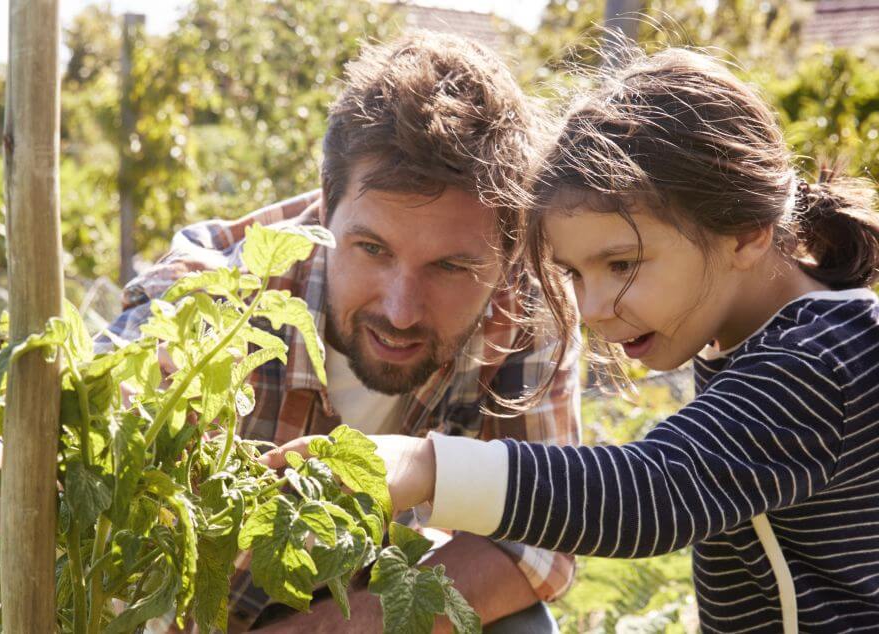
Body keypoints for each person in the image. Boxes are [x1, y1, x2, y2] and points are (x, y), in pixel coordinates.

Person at [0, 32, 581, 632]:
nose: (401, 308)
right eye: (371, 248)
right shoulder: (218, 293)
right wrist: (100, 505)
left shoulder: (529, 311)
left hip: (349, 609)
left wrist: (335, 628)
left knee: (520, 623)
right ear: (324, 208)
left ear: (508, 249)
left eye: (452, 266)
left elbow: (542, 544)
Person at [267, 46, 879, 633]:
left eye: (621, 265)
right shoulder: (767, 344)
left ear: (745, 232)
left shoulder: (820, 360)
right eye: (573, 273)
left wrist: (427, 465)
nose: (591, 310)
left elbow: (655, 490)